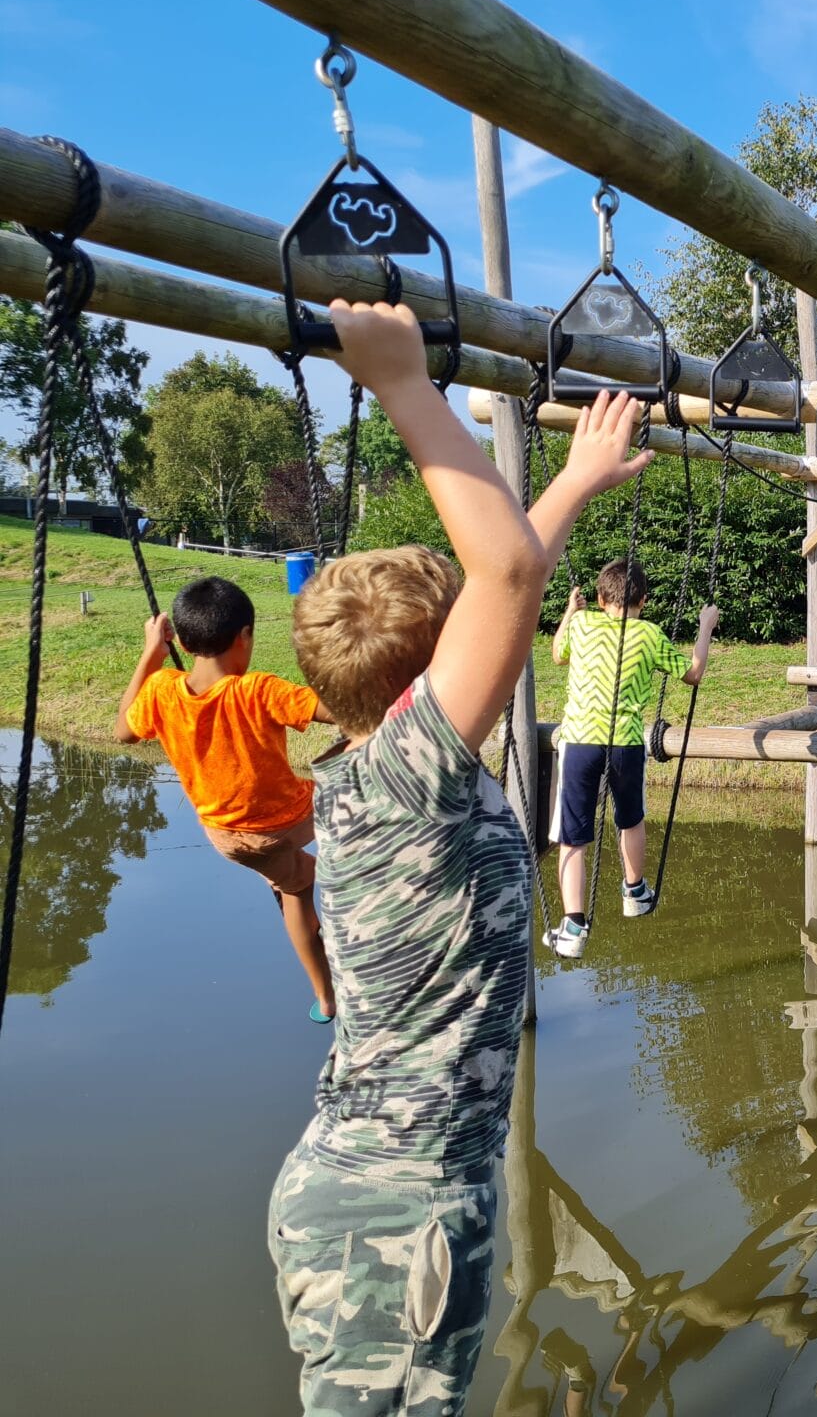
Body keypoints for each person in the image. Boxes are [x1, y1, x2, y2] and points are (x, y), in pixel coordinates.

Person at [270, 299, 650, 1417]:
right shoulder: (408, 775)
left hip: (387, 1193)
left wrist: (577, 480)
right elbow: (510, 581)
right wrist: (401, 382)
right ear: (430, 683)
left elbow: (510, 576)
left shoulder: (376, 774)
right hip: (398, 1215)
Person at [114, 576, 335, 1021]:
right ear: (244, 636)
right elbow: (337, 711)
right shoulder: (256, 690)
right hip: (291, 820)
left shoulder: (161, 690)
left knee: (295, 888)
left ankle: (326, 999)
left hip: (228, 839)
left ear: (185, 638)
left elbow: (122, 731)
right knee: (351, 790)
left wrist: (151, 653)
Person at [544, 559, 717, 956]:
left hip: (580, 742)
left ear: (602, 598)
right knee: (630, 818)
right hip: (625, 741)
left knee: (573, 837)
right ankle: (635, 890)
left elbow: (557, 654)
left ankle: (572, 927)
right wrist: (705, 628)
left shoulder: (584, 625)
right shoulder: (651, 635)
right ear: (644, 599)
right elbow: (692, 674)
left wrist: (572, 609)